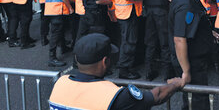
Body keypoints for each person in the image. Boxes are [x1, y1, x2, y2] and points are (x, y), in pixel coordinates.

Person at [49, 33, 185, 110]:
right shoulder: (115, 96)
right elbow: (157, 96)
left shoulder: (60, 83)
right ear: (105, 61)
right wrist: (176, 84)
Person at [169, 0, 219, 110]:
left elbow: (193, 23)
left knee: (193, 97)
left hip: (195, 57)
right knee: (197, 99)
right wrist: (186, 71)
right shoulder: (185, 3)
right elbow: (179, 39)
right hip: (192, 60)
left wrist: (208, 32)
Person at [112, 0, 150, 80]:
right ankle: (124, 70)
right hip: (129, 14)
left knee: (125, 41)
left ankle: (124, 65)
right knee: (129, 42)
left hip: (122, 13)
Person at [141, 0, 174, 80]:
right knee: (164, 43)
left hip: (148, 12)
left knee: (150, 43)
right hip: (162, 13)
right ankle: (167, 73)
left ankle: (149, 73)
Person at [45, 0, 73, 67]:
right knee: (55, 34)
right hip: (57, 10)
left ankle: (64, 48)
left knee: (59, 31)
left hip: (51, 9)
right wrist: (70, 8)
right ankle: (52, 58)